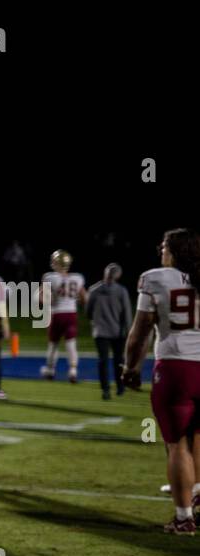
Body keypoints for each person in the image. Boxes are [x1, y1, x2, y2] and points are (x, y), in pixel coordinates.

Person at [123, 228, 200, 535]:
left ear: (176, 251)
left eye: (165, 247)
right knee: (198, 436)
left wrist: (130, 367)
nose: (161, 251)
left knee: (177, 444)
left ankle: (183, 518)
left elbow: (139, 331)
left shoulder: (156, 278)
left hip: (176, 366)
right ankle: (195, 497)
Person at [38, 250, 87, 382]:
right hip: (71, 314)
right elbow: (84, 298)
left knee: (53, 344)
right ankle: (72, 371)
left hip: (57, 314)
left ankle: (50, 369)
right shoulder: (77, 278)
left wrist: (47, 301)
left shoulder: (49, 277)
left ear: (55, 263)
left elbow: (41, 298)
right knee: (71, 343)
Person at [87, 263, 133, 399]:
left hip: (100, 331)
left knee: (103, 360)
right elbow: (127, 313)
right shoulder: (121, 291)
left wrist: (95, 322)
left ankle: (106, 390)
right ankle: (120, 387)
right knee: (118, 360)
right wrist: (129, 330)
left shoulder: (94, 290)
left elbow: (88, 311)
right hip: (117, 331)